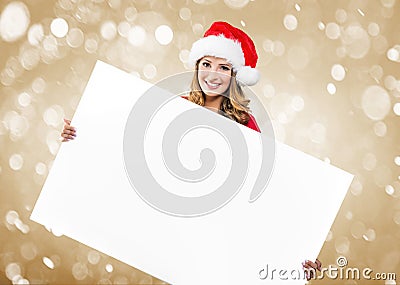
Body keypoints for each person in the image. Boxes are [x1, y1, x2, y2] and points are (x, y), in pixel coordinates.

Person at [61, 21, 322, 279]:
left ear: (235, 76)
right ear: (197, 67)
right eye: (206, 64)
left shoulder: (246, 125)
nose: (212, 74)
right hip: (167, 239)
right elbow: (130, 152)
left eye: (223, 67)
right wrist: (83, 134)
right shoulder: (173, 109)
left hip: (217, 246)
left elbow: (262, 196)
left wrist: (297, 254)